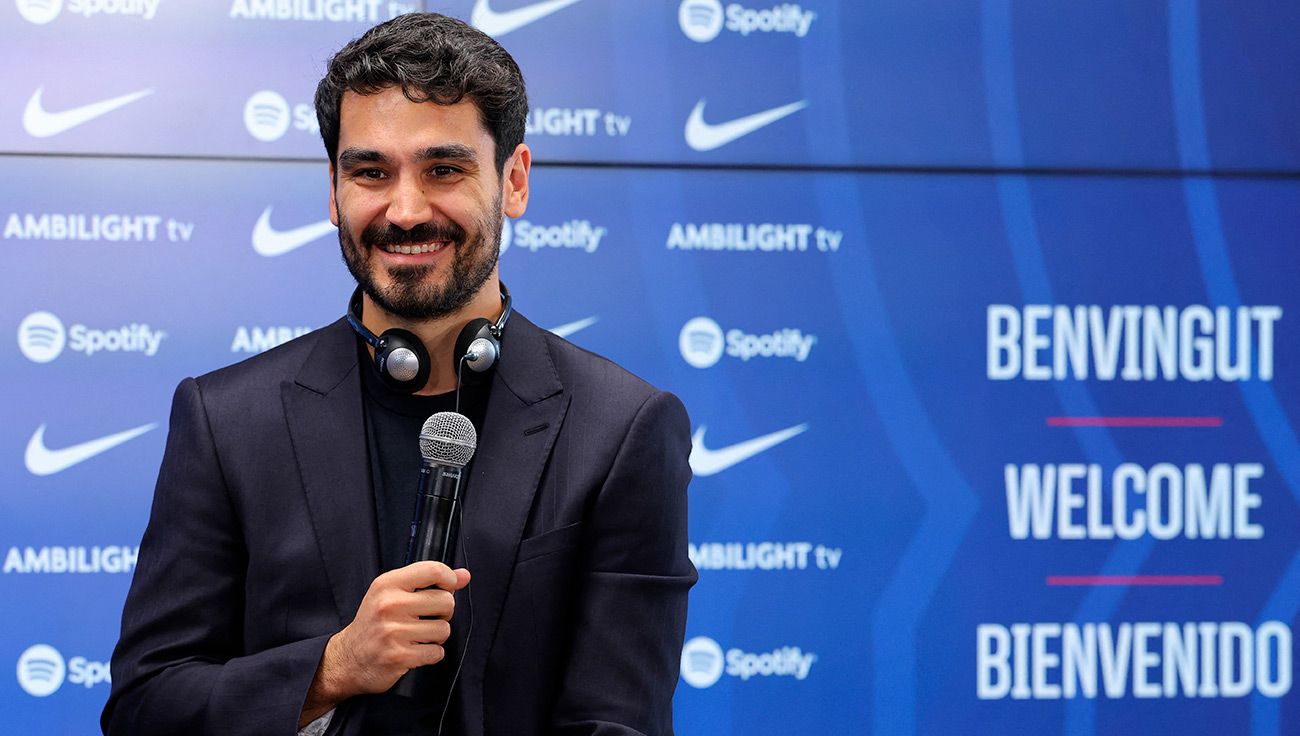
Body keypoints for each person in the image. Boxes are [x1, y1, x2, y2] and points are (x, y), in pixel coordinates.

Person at [102, 13, 695, 736]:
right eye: (371, 172)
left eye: (444, 169)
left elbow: (619, 722)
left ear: (513, 181)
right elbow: (145, 708)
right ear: (333, 191)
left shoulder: (622, 427)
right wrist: (330, 669)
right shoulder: (227, 419)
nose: (405, 210)